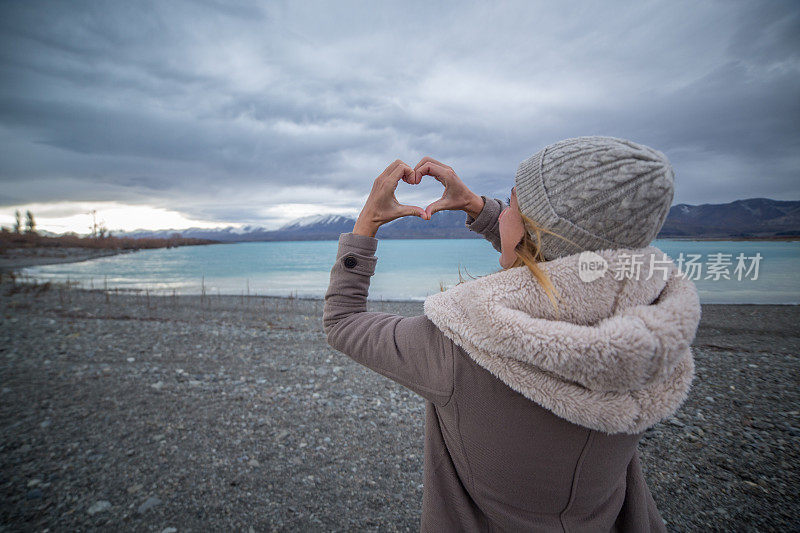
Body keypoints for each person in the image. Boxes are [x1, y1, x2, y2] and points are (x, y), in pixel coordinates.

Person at [323, 136, 701, 532]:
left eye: (512, 203)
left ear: (527, 230)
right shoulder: (652, 331)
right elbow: (564, 263)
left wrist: (367, 222)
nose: (502, 213)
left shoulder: (461, 345)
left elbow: (343, 322)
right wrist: (476, 206)